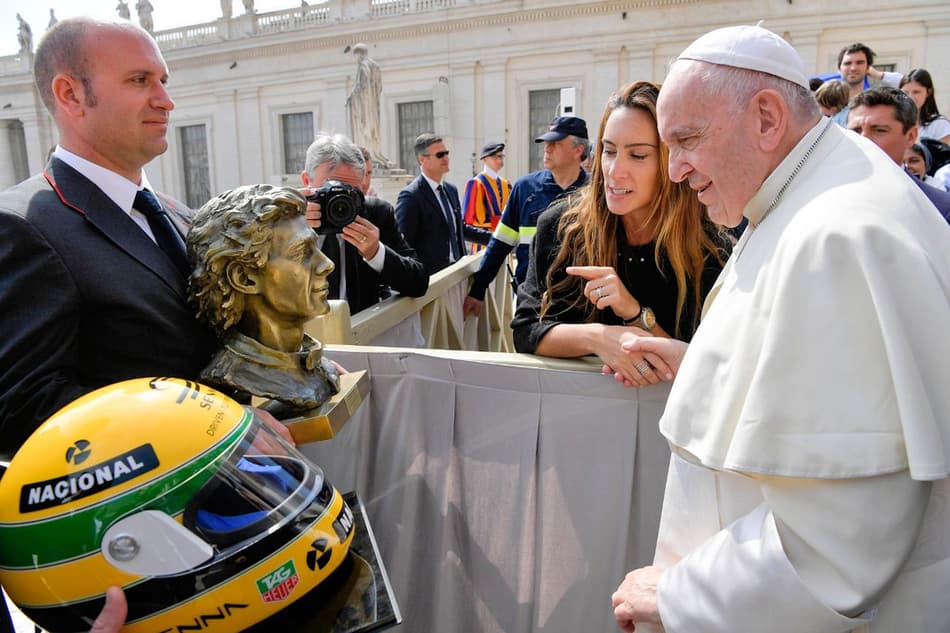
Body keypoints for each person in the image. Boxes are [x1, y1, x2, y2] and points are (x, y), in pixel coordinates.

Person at [612, 25, 950, 632]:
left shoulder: (837, 236)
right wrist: (702, 363)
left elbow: (840, 541)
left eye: (686, 140)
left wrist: (680, 596)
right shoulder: (817, 183)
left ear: (767, 118)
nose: (676, 169)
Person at [0, 16, 215, 459]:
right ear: (71, 94)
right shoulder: (23, 226)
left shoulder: (183, 218)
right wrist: (215, 423)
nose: (166, 100)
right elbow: (24, 410)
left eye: (163, 80)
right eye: (140, 80)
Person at [511, 82, 728, 387]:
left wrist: (635, 314)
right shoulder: (562, 227)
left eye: (638, 155)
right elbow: (526, 330)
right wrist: (600, 338)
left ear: (672, 161)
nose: (615, 170)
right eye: (609, 151)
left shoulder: (708, 247)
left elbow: (704, 366)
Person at [188, 184, 341, 411]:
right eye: (301, 252)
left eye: (315, 247)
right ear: (244, 278)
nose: (327, 265)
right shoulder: (232, 379)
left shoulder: (316, 365)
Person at [463, 116, 590, 318]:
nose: (547, 148)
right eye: (546, 143)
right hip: (530, 304)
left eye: (555, 143)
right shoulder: (525, 188)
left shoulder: (596, 192)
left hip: (582, 308)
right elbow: (500, 244)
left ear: (578, 150)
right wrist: (477, 290)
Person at [301, 133, 428, 314]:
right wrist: (292, 226)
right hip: (304, 335)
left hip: (359, 333)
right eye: (330, 188)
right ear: (307, 181)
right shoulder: (286, 220)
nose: (340, 200)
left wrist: (376, 253)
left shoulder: (375, 213)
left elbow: (419, 282)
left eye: (351, 191)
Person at [848, 86, 950, 222]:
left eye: (879, 130)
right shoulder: (823, 195)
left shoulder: (939, 209)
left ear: (910, 136)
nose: (863, 140)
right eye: (855, 131)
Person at [395, 133, 465, 275]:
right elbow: (404, 244)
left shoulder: (451, 190)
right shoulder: (411, 196)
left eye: (446, 153)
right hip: (432, 281)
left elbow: (459, 229)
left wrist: (495, 238)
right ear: (422, 159)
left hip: (458, 272)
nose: (446, 158)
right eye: (440, 155)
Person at [461, 142, 511, 253]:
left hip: (504, 240)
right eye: (495, 157)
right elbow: (467, 219)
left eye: (501, 156)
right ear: (485, 159)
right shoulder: (475, 183)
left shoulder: (506, 184)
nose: (499, 160)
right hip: (482, 243)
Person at [347, 44, 391, 168]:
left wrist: (352, 96)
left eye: (355, 56)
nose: (356, 59)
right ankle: (374, 153)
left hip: (364, 107)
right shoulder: (374, 66)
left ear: (359, 54)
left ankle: (369, 155)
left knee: (365, 130)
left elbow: (362, 87)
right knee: (372, 131)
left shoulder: (363, 66)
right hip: (373, 107)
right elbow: (379, 86)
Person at [899, 68, 950, 144]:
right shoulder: (895, 122)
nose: (910, 97)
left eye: (916, 92)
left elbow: (940, 155)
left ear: (928, 92)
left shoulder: (939, 125)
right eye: (905, 93)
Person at [836, 42, 902, 99]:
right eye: (847, 63)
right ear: (839, 69)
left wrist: (879, 75)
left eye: (859, 63)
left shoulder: (876, 104)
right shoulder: (826, 102)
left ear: (868, 68)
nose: (853, 68)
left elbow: (907, 84)